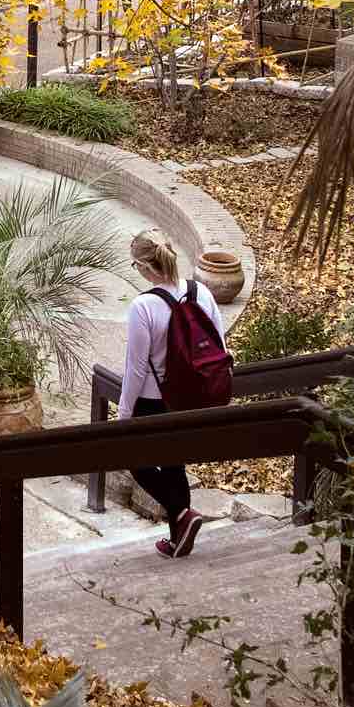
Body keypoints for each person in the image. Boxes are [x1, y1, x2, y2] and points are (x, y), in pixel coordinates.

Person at [118, 229, 230, 558]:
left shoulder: (144, 306)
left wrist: (124, 415)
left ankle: (182, 514)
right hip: (194, 399)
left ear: (143, 266)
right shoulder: (201, 293)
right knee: (172, 463)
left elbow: (136, 369)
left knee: (133, 460)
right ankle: (178, 537)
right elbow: (221, 346)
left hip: (155, 402)